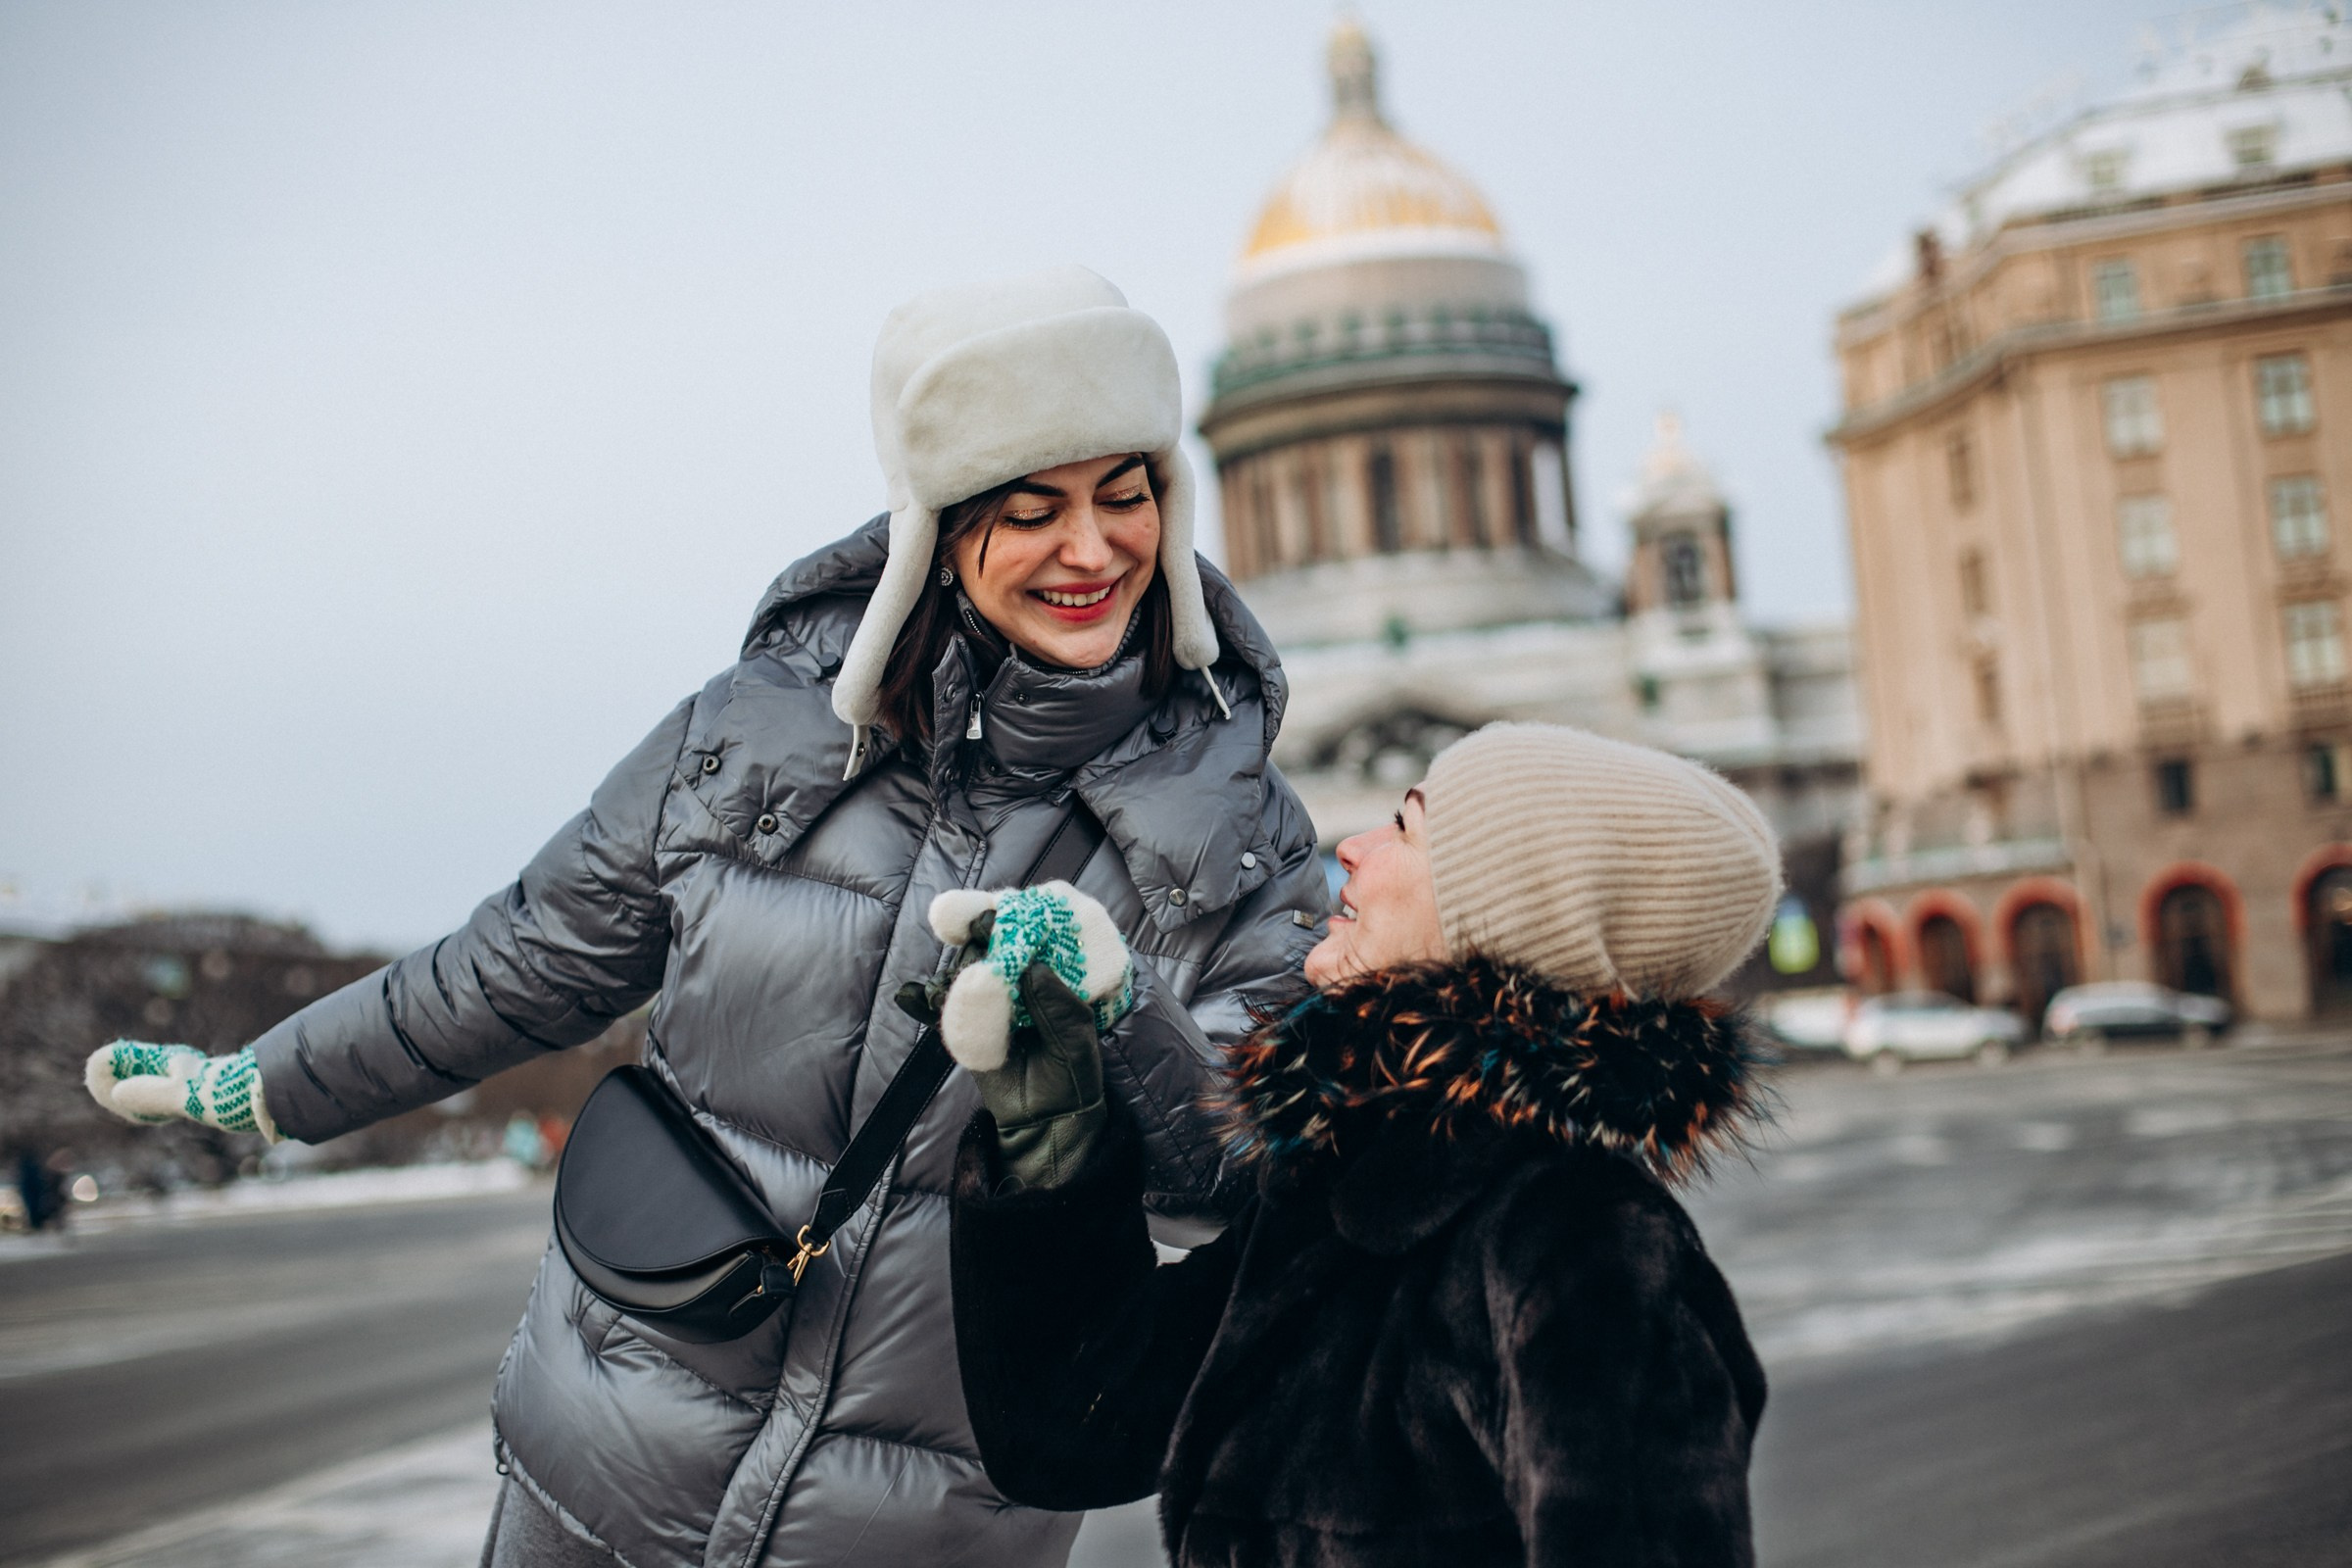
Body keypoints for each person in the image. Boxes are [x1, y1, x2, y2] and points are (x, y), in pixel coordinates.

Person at [81, 266, 1327, 1568]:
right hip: (596, 1482)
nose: (1094, 549)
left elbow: (1249, 1187)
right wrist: (269, 1079)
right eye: (1032, 510)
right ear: (937, 529)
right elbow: (516, 964)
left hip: (921, 1536)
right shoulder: (756, 734)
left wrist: (1122, 1016)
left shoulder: (1244, 830)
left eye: (1126, 495)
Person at [946, 722, 1781, 1568]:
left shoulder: (1580, 1237)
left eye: (1406, 828)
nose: (1353, 847)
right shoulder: (1348, 1188)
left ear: (1505, 919)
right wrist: (1053, 1140)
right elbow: (1070, 1433)